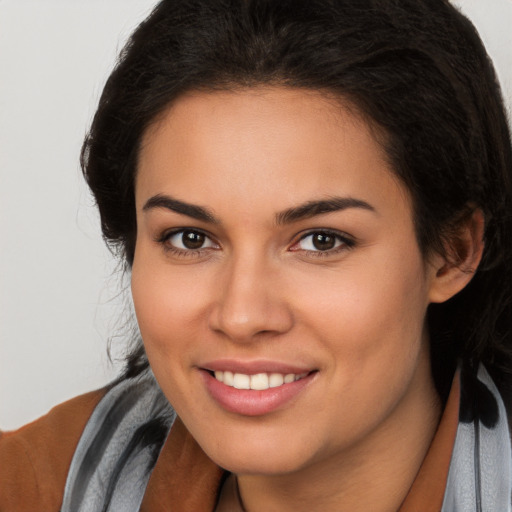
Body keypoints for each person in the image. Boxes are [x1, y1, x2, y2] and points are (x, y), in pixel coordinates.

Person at [1, 0, 511, 510]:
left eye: (321, 240)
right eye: (190, 239)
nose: (242, 316)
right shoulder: (28, 486)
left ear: (452, 251)